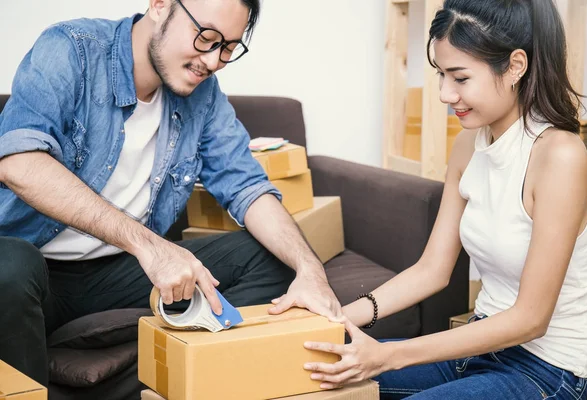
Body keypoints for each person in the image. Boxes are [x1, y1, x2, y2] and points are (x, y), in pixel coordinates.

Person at [0, 0, 342, 386]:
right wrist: (151, 247)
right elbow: (19, 162)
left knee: (274, 256)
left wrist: (312, 272)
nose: (213, 61)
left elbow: (247, 186)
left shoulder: (204, 95)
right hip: (33, 270)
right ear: (160, 5)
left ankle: (167, 379)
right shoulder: (71, 48)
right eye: (206, 37)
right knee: (6, 265)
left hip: (116, 273)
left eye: (228, 48)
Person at [303, 0, 587, 398]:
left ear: (515, 66)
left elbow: (531, 319)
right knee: (313, 375)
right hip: (480, 345)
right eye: (441, 75)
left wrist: (390, 356)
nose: (445, 93)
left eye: (459, 78)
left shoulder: (560, 156)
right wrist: (333, 318)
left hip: (548, 369)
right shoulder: (466, 147)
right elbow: (432, 270)